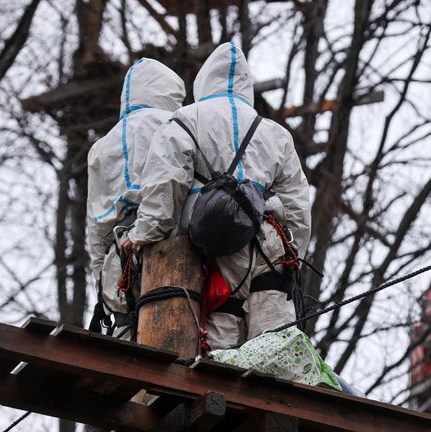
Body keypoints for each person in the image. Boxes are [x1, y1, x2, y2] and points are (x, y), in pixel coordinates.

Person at [123, 42, 311, 350]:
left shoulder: (184, 121)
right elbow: (298, 210)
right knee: (275, 341)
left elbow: (165, 189)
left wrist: (142, 235)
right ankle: (271, 392)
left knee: (218, 342)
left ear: (203, 82)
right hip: (270, 245)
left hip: (213, 246)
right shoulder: (276, 134)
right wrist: (295, 259)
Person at [86, 58, 185, 331]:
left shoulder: (101, 147)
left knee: (127, 340)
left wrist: (101, 283)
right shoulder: (176, 129)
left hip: (119, 264)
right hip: (171, 253)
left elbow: (95, 229)